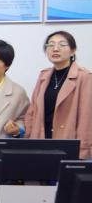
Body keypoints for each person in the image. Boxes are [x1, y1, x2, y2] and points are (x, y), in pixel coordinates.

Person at [23, 30, 92, 159]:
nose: (55, 49)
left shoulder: (84, 77)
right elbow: (32, 111)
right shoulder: (43, 76)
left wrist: (82, 151)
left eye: (62, 45)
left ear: (73, 51)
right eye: (51, 45)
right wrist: (29, 137)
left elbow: (86, 118)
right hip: (41, 141)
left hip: (68, 143)